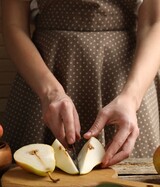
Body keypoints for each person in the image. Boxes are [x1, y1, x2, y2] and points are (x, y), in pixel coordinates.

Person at [1, 0, 160, 167]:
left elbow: (154, 23)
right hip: (44, 77)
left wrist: (131, 98)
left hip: (129, 82)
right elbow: (13, 25)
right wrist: (50, 93)